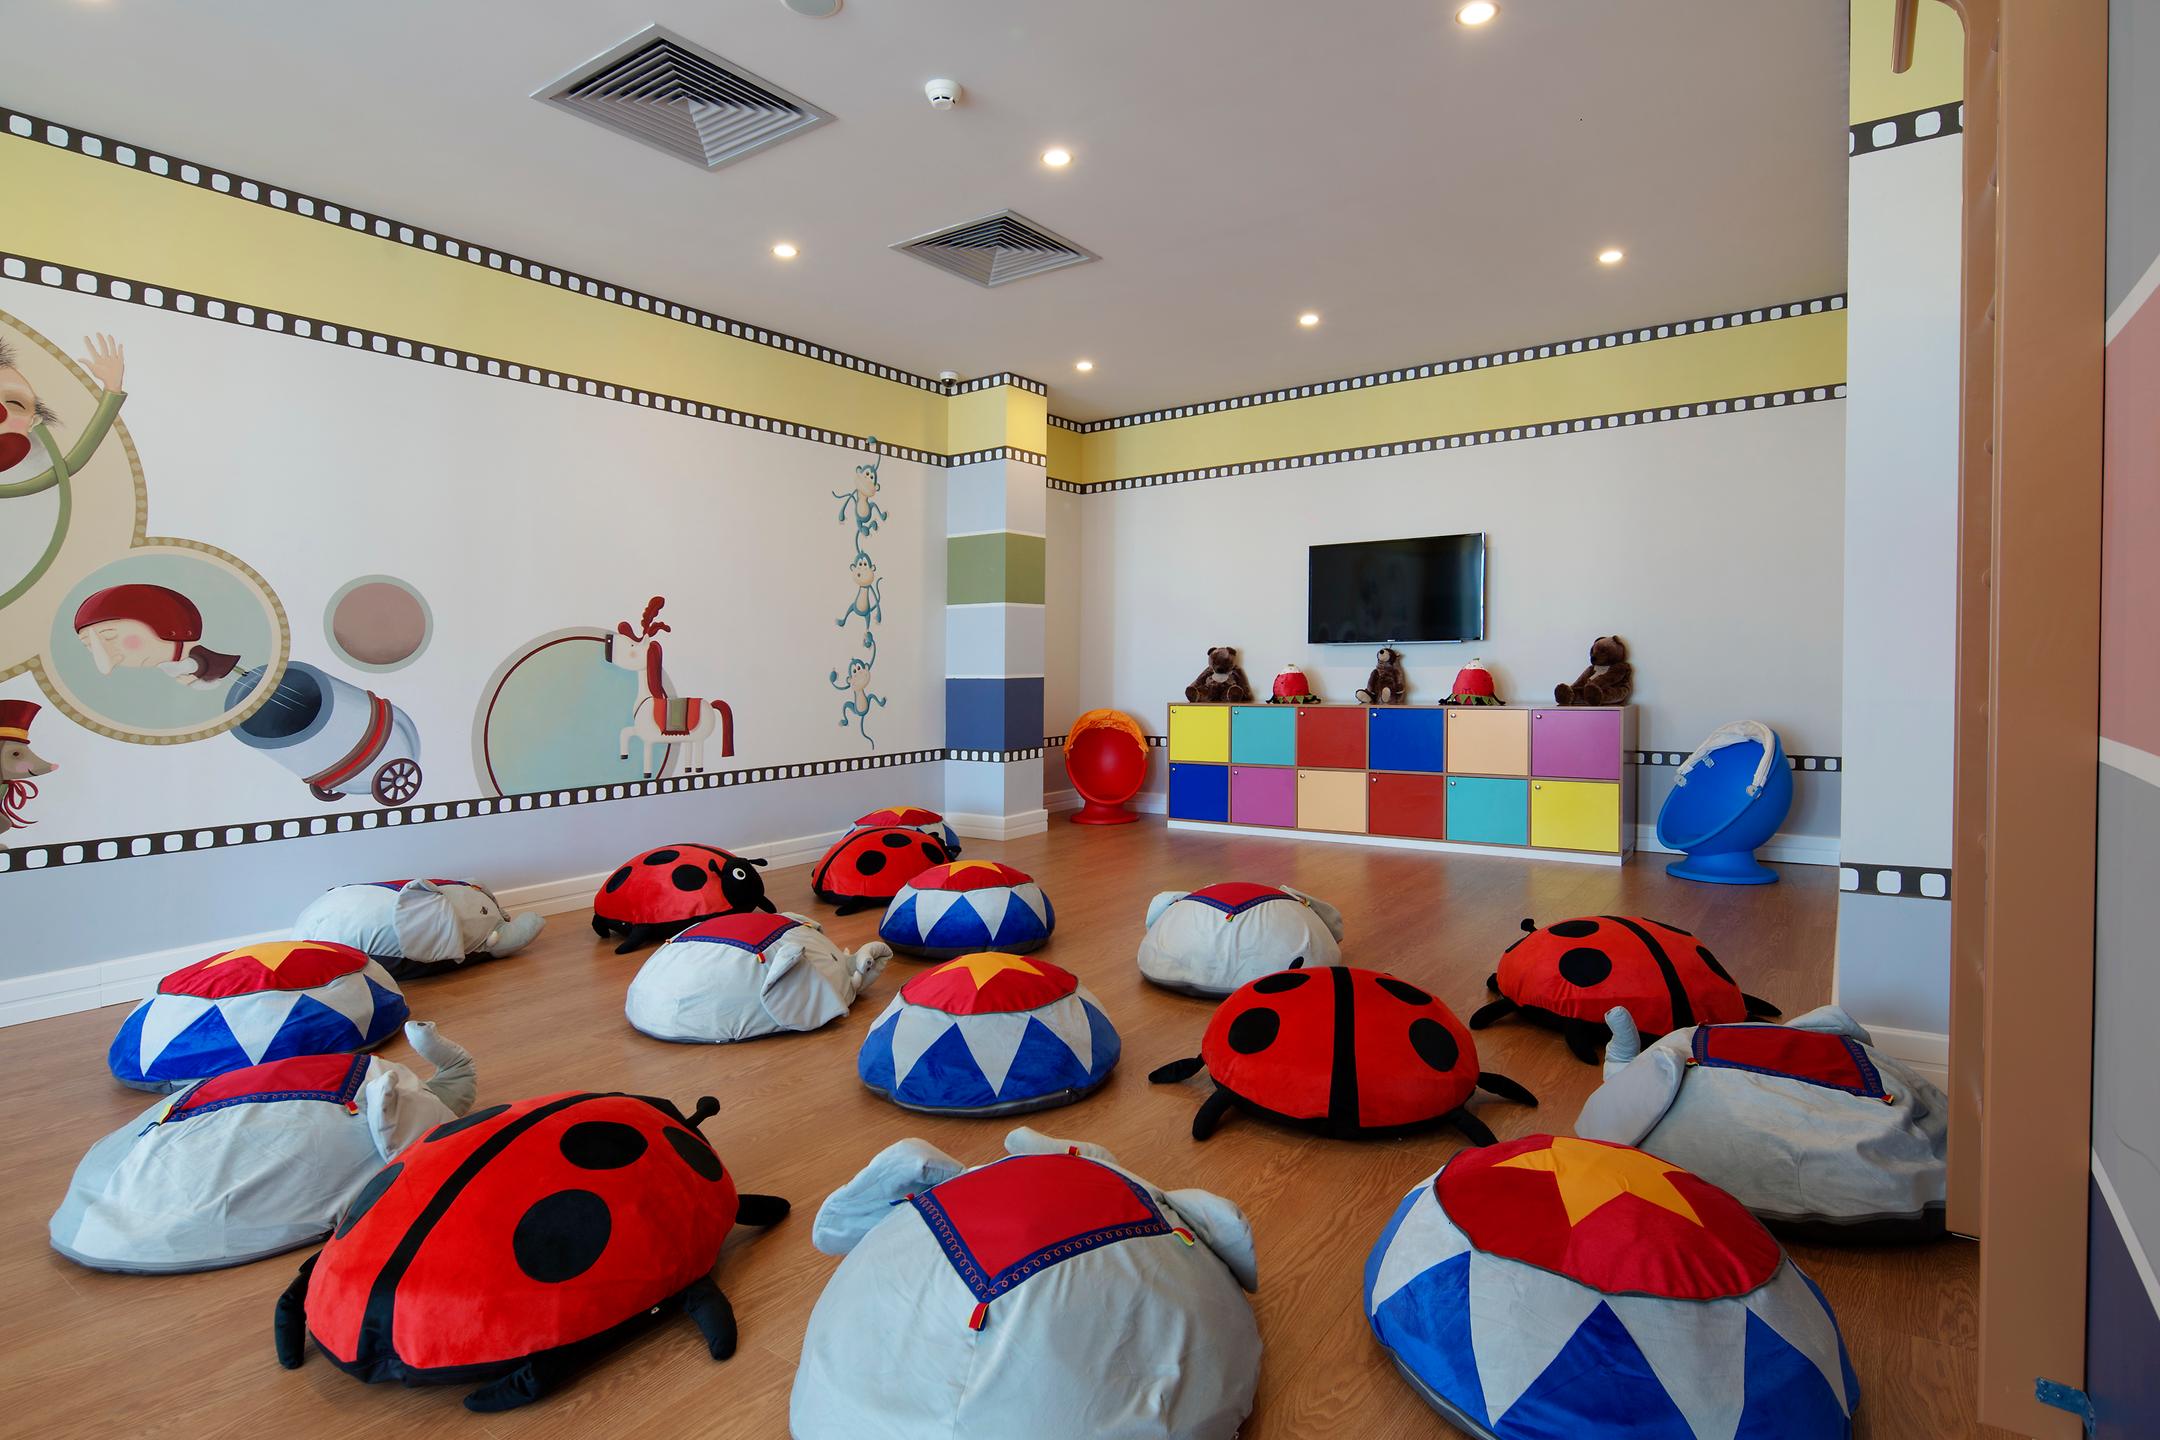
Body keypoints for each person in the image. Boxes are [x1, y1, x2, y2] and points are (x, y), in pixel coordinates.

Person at [0, 332, 126, 607]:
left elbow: (74, 461)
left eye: (15, 404)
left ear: (33, 423)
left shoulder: (29, 486)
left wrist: (112, 390)